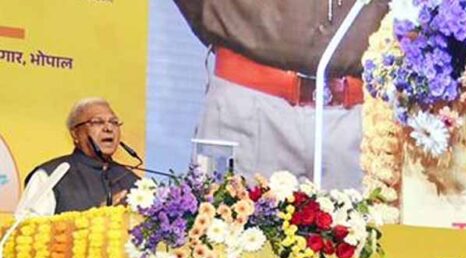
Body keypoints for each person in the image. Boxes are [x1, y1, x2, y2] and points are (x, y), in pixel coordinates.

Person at [172, 1, 389, 189]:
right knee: (221, 217)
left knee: (372, 223)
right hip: (245, 104)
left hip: (364, 118)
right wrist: (221, 23)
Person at [20, 97, 139, 215]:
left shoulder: (132, 180)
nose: (109, 128)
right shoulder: (51, 175)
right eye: (97, 122)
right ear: (75, 134)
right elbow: (25, 226)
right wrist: (95, 219)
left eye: (114, 122)